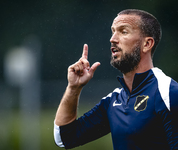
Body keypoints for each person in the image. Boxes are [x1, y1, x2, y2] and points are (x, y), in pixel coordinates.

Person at [54, 9, 178, 150]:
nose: (112, 38)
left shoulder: (168, 93)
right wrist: (73, 88)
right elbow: (65, 138)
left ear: (147, 44)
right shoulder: (114, 100)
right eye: (113, 31)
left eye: (123, 31)